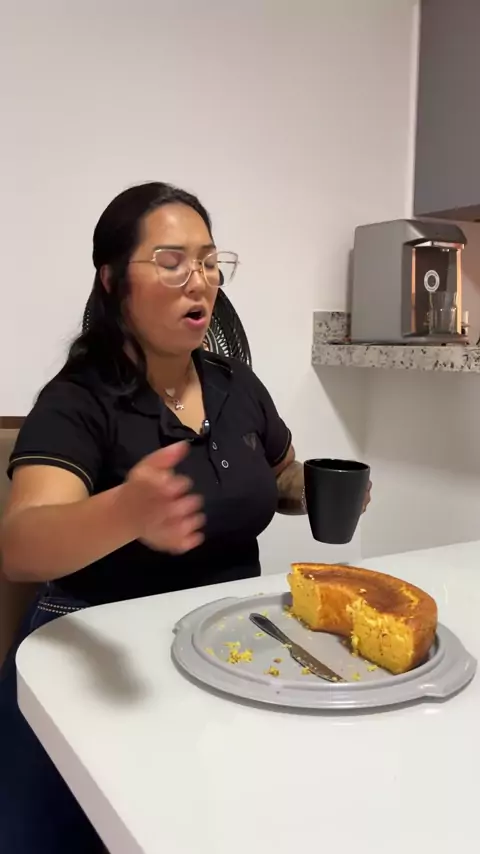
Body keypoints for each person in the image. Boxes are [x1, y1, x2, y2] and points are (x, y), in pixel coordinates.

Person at [0, 181, 371, 852]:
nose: (199, 281)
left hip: (228, 642)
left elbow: (279, 475)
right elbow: (21, 545)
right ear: (113, 280)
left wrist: (319, 490)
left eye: (208, 261)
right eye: (172, 262)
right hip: (98, 655)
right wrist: (125, 509)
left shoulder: (237, 386)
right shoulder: (78, 399)